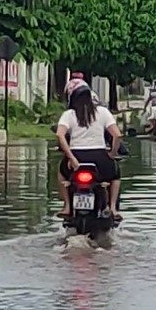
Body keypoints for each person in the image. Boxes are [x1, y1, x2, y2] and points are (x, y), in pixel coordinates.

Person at [55, 80, 123, 220]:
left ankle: (67, 206)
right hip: (100, 158)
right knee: (115, 176)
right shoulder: (103, 112)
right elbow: (117, 135)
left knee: (61, 175)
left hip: (76, 158)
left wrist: (71, 158)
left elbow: (59, 134)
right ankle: (113, 208)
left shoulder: (69, 114)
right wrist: (112, 154)